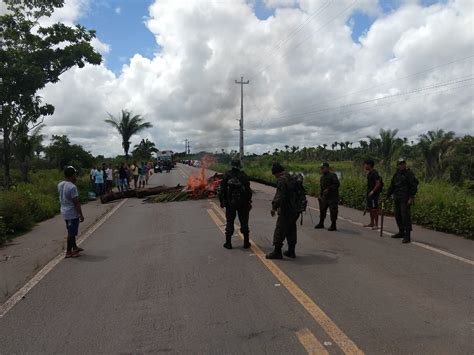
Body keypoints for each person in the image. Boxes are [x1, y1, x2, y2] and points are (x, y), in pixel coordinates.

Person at [266, 162, 300, 259]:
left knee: (280, 230)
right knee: (291, 229)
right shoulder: (290, 177)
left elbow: (280, 195)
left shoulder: (282, 180)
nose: (275, 177)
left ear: (277, 173)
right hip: (296, 209)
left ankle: (277, 252)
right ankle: (291, 251)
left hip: (287, 210)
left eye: (274, 174)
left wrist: (274, 207)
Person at [219, 159, 252, 250]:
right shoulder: (244, 176)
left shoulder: (227, 175)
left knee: (229, 222)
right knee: (244, 222)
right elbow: (249, 191)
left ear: (231, 165)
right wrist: (249, 201)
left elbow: (222, 190)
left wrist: (222, 201)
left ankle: (228, 243)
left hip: (230, 204)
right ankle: (246, 243)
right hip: (243, 204)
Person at [386, 158, 419, 244]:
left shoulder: (409, 174)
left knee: (405, 217)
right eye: (400, 164)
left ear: (405, 165)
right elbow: (392, 186)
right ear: (397, 165)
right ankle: (401, 232)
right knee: (397, 215)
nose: (402, 165)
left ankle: (407, 235)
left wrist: (411, 197)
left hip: (405, 199)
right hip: (397, 198)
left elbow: (414, 186)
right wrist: (386, 196)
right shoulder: (396, 174)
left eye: (403, 164)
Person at [58, 166, 85, 258]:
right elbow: (76, 202)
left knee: (71, 231)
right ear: (72, 175)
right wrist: (80, 215)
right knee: (71, 233)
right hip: (71, 213)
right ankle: (69, 251)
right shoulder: (72, 187)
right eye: (75, 175)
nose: (76, 177)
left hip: (64, 211)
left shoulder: (60, 184)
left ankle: (75, 247)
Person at [314, 162, 340, 231]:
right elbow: (321, 188)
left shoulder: (333, 175)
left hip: (333, 197)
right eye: (321, 168)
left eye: (323, 168)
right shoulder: (322, 177)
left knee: (333, 212)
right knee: (322, 211)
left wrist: (329, 189)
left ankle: (333, 225)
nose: (321, 170)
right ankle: (321, 223)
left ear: (327, 168)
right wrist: (320, 195)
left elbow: (337, 184)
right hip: (324, 197)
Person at [363, 159, 383, 230]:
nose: (364, 166)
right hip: (369, 195)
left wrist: (372, 191)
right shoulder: (370, 173)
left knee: (375, 209)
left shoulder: (375, 173)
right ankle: (371, 223)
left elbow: (378, 184)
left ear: (369, 165)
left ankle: (376, 224)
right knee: (370, 209)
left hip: (374, 195)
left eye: (365, 164)